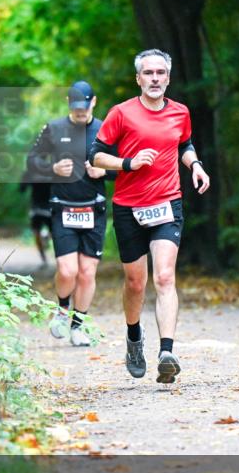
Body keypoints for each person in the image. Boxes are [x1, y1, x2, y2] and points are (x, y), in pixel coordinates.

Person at [89, 49, 211, 382]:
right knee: (135, 282)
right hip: (129, 207)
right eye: (148, 73)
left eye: (160, 73)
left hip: (167, 204)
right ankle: (133, 337)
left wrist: (196, 166)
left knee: (165, 277)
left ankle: (167, 352)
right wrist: (127, 163)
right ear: (138, 78)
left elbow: (184, 145)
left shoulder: (180, 112)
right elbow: (96, 156)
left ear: (168, 77)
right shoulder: (121, 113)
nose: (155, 78)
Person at [26, 81, 115, 347]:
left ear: (94, 102)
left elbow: (123, 164)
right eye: (76, 108)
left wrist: (104, 172)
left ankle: (79, 326)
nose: (80, 112)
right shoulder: (53, 128)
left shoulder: (104, 129)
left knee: (87, 273)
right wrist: (53, 168)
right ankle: (63, 309)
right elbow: (32, 162)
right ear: (68, 103)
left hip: (94, 208)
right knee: (67, 270)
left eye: (85, 107)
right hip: (63, 206)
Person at [21, 180, 52, 265]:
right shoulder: (52, 170)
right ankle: (44, 255)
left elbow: (22, 188)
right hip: (45, 208)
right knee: (50, 232)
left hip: (38, 208)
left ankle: (43, 257)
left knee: (37, 233)